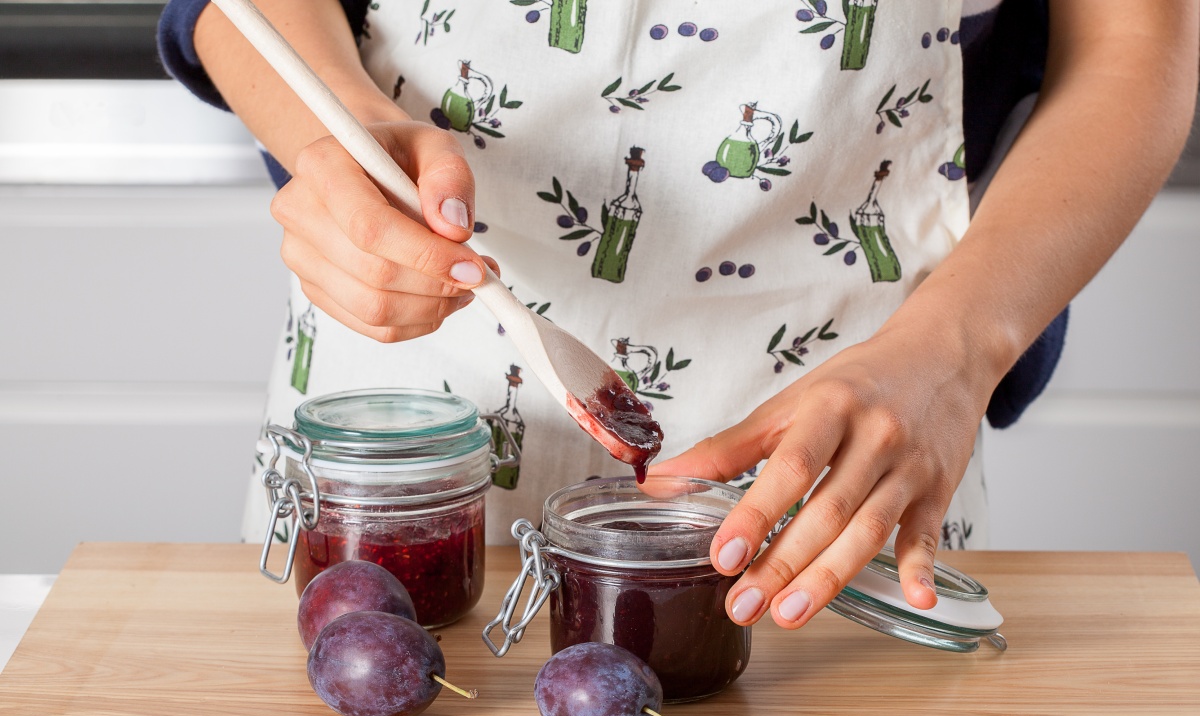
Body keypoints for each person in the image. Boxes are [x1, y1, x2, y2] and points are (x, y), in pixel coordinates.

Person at [158, 0, 1198, 630]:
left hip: (846, 479)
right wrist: (340, 134)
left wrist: (959, 349)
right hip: (403, 461)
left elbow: (1133, 42)